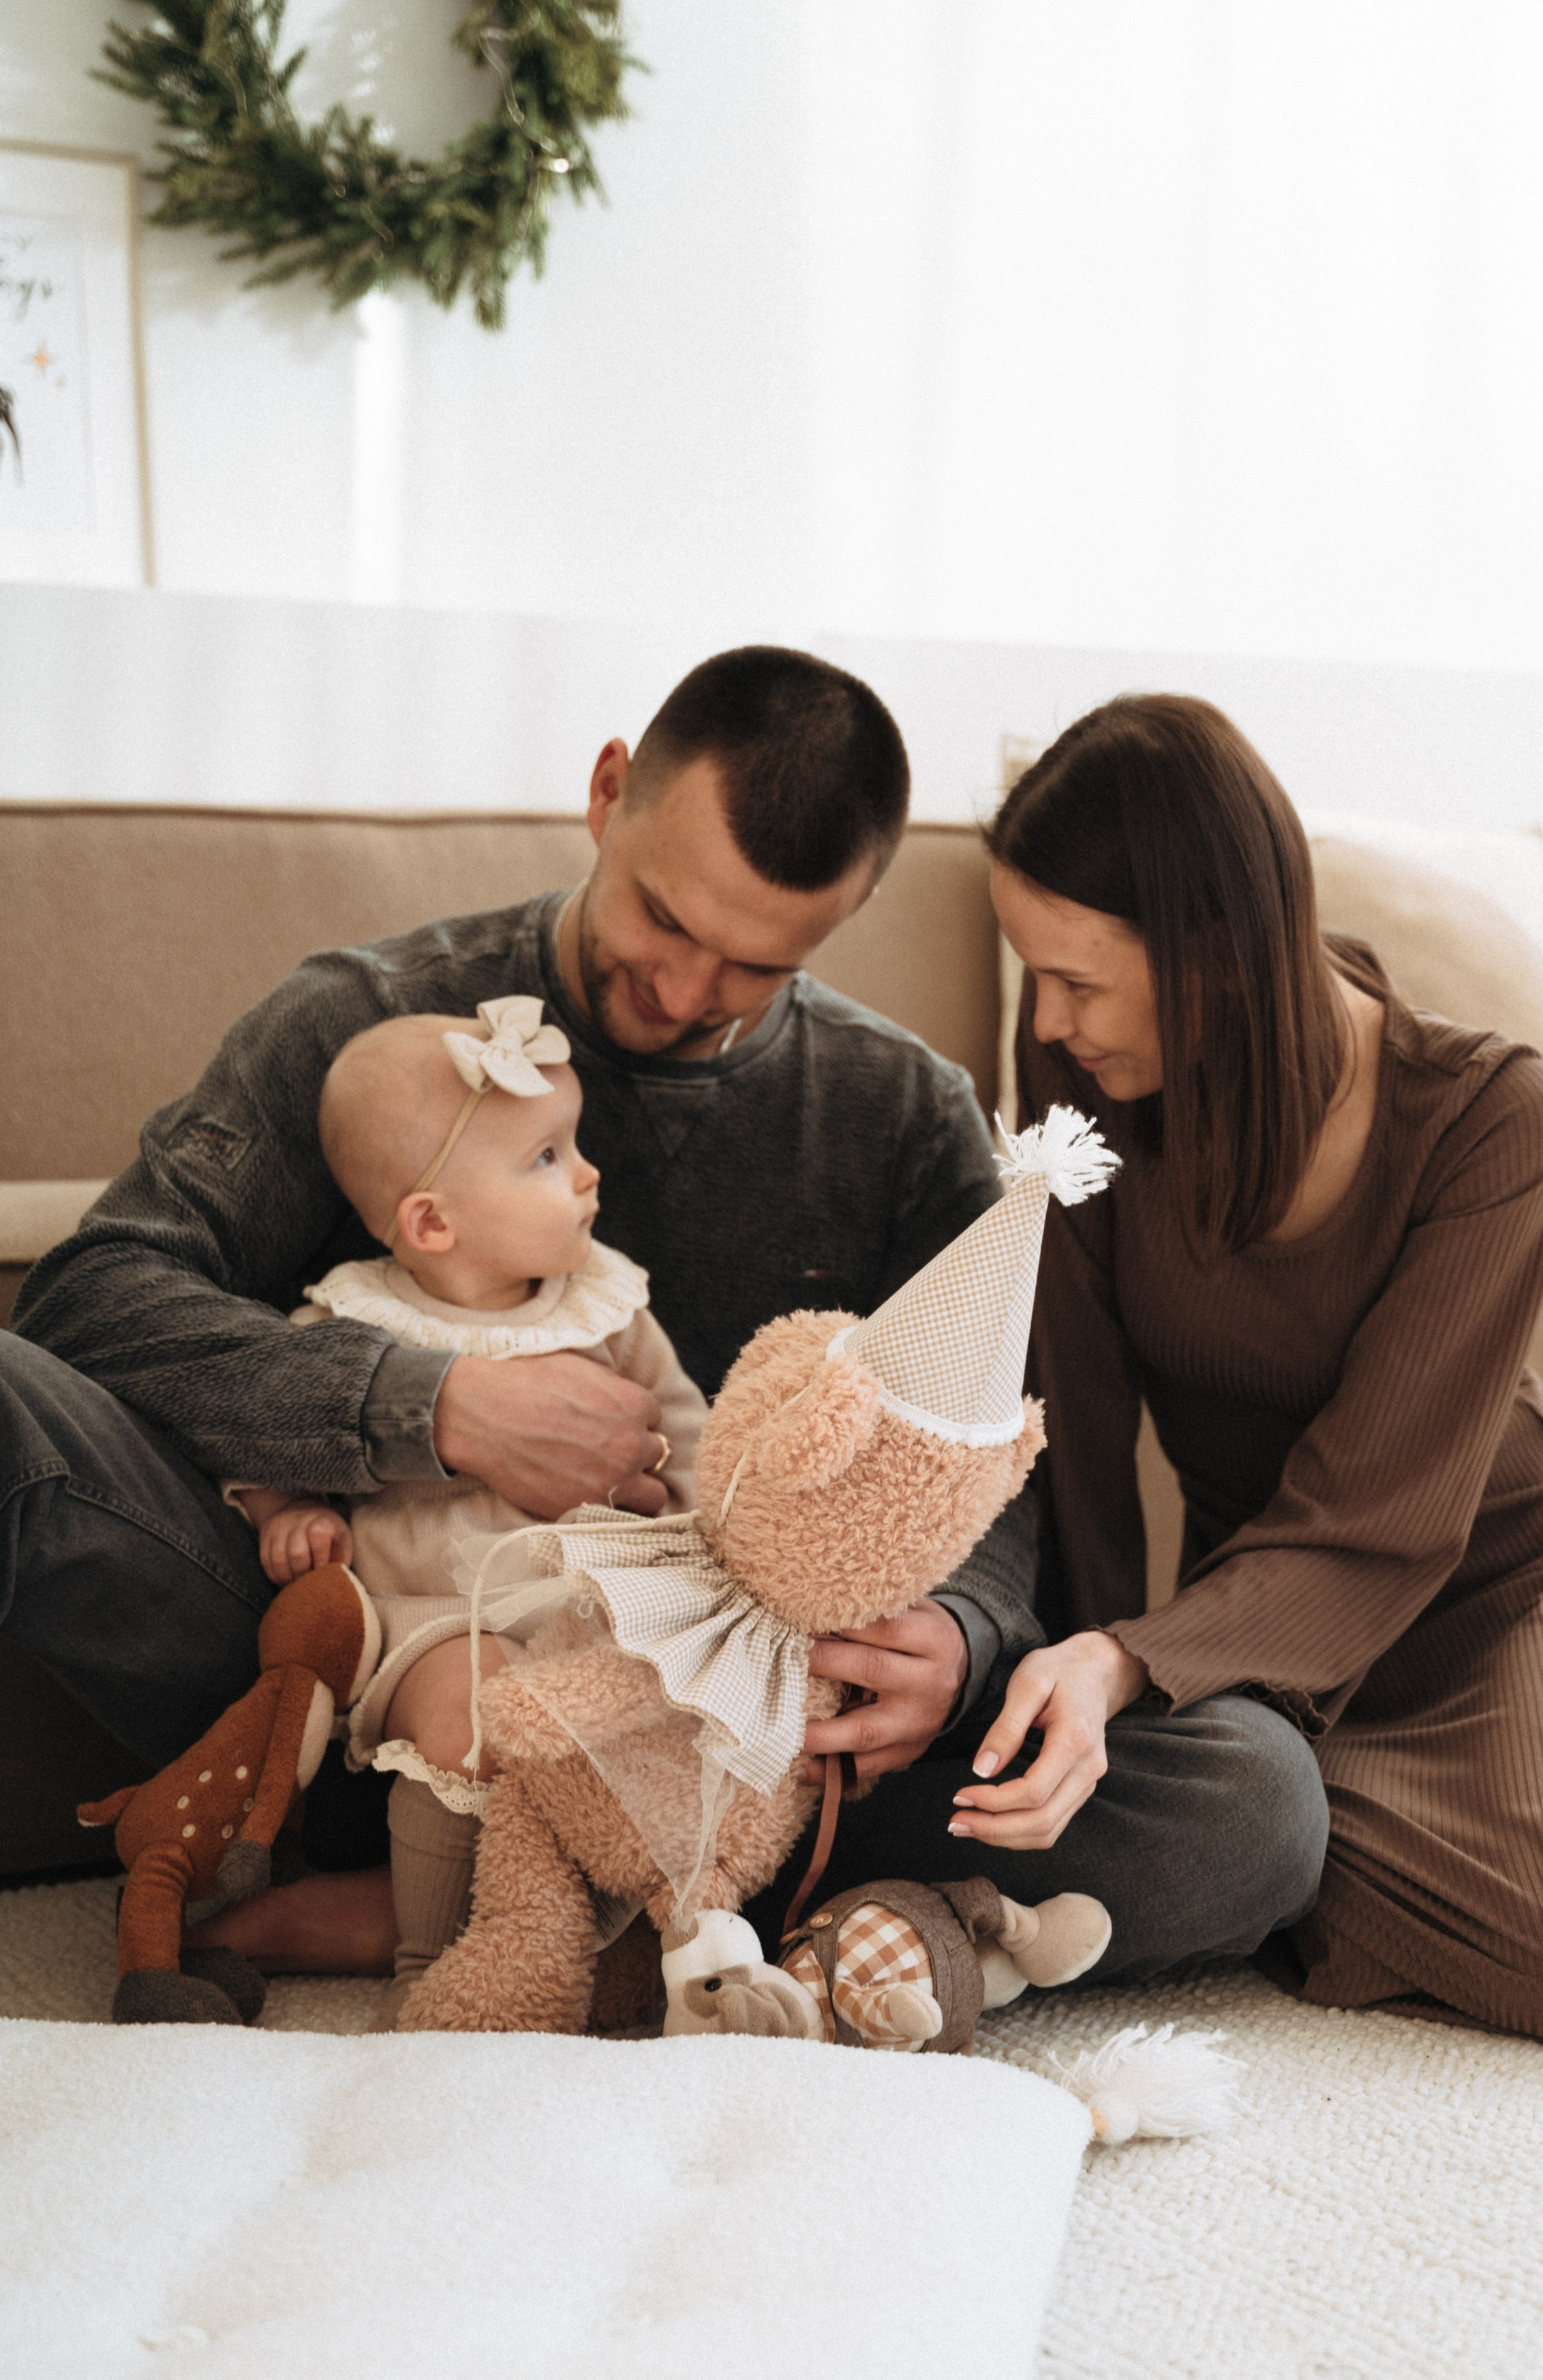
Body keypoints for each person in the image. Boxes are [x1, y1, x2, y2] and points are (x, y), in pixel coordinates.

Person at [5, 647, 1028, 1969]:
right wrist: (435, 1409)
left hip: (695, 1725)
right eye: (661, 918)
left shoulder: (900, 1115)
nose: (679, 990)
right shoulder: (364, 1024)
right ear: (607, 792)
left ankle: (610, 1891)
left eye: (751, 968)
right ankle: (522, 1891)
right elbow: (92, 1302)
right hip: (329, 1663)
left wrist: (959, 1632)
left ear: (845, 915)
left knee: (1241, 1813)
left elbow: (991, 1459)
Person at [964, 691, 1543, 2045]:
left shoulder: (1486, 1116)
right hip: (1273, 1663)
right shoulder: (1082, 1109)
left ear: (1213, 953)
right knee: (1245, 1849)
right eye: (1034, 975)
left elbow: (1383, 1511)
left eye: (1077, 980)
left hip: (1510, 1588)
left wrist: (1136, 1662)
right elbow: (1070, 1454)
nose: (1047, 1022)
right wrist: (1081, 1699)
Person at [228, 997, 705, 2020]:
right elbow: (265, 1429)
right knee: (475, 1719)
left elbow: (692, 1434)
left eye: (573, 1145)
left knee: (657, 1720)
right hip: (436, 1623)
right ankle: (427, 1970)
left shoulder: (609, 1310)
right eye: (545, 1156)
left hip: (592, 1617)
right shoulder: (354, 1322)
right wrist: (286, 1513)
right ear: (432, 1222)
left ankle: (596, 1932)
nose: (588, 1173)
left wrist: (696, 1525)